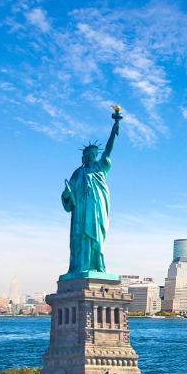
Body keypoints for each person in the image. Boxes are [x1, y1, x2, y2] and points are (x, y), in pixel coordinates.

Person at [62, 107, 122, 276]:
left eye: (95, 153)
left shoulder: (100, 167)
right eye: (90, 154)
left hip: (97, 208)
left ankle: (98, 266)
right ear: (84, 156)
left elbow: (109, 149)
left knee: (97, 235)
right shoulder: (78, 173)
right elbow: (67, 197)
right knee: (81, 237)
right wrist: (67, 193)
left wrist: (115, 126)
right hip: (81, 212)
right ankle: (81, 267)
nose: (93, 156)